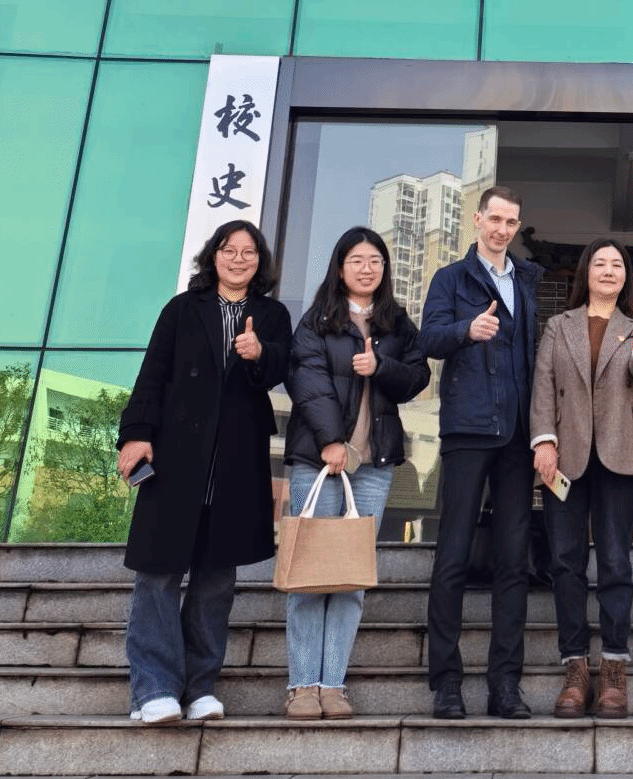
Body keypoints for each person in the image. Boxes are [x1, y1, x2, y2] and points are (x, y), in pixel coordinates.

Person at [116, 220, 292, 724]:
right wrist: (136, 433)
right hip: (176, 459)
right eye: (229, 250)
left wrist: (260, 354)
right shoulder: (182, 309)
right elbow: (153, 374)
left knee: (216, 582)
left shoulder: (272, 315)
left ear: (260, 261)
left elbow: (280, 369)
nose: (239, 259)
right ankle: (154, 689)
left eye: (249, 252)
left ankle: (200, 688)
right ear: (213, 256)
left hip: (234, 467)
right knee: (158, 576)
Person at [282, 226, 429, 719]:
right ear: (340, 267)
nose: (367, 269)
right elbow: (306, 379)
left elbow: (418, 377)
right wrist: (330, 440)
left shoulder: (396, 323)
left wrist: (380, 367)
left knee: (350, 578)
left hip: (373, 465)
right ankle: (303, 685)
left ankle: (333, 685)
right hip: (319, 460)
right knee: (310, 574)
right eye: (357, 261)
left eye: (375, 261)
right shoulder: (318, 321)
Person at [420, 186, 543, 719]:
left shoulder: (527, 280)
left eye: (511, 222)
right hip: (468, 430)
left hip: (517, 436)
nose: (502, 229)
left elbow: (533, 361)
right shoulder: (451, 278)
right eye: (495, 218)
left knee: (514, 562)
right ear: (477, 219)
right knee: (452, 556)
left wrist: (542, 431)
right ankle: (447, 683)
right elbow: (427, 339)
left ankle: (505, 686)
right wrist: (466, 330)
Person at [530, 239, 633, 719]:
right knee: (565, 561)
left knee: (615, 561)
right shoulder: (558, 325)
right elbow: (543, 384)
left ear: (626, 276)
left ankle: (615, 669)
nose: (608, 270)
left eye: (616, 264)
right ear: (586, 273)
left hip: (620, 454)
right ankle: (576, 669)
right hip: (565, 455)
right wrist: (544, 441)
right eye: (600, 263)